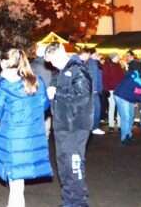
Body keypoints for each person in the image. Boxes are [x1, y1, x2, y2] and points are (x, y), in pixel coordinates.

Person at [0, 47, 52, 207]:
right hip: (31, 135)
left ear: (3, 63)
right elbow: (44, 106)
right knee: (18, 181)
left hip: (12, 137)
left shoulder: (3, 85)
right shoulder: (36, 81)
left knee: (15, 182)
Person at [44, 43, 92, 207]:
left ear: (62, 54)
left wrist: (58, 93)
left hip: (76, 126)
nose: (53, 64)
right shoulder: (61, 72)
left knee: (74, 166)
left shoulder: (78, 70)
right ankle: (69, 201)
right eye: (50, 62)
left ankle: (78, 202)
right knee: (64, 165)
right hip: (63, 124)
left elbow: (82, 97)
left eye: (54, 60)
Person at [113, 69, 141, 145]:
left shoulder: (140, 81)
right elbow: (137, 95)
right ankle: (124, 138)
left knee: (131, 116)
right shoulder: (134, 82)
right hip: (121, 96)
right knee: (126, 117)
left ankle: (128, 135)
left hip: (129, 97)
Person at [30, 44, 54, 138]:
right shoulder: (47, 66)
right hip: (44, 96)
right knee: (46, 117)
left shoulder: (31, 65)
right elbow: (48, 82)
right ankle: (45, 135)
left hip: (32, 95)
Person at [79, 48, 104, 135]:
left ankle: (90, 127)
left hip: (90, 90)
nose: (98, 55)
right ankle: (94, 127)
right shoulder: (92, 63)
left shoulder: (90, 63)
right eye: (96, 54)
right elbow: (94, 77)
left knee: (91, 109)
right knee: (96, 109)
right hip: (92, 91)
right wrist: (95, 89)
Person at [102, 53, 124, 133]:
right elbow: (105, 78)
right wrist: (106, 89)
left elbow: (122, 77)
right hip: (111, 89)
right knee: (112, 107)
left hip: (118, 89)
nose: (119, 58)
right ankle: (111, 125)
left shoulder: (118, 65)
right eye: (118, 56)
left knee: (118, 107)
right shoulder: (108, 66)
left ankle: (119, 124)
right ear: (113, 57)